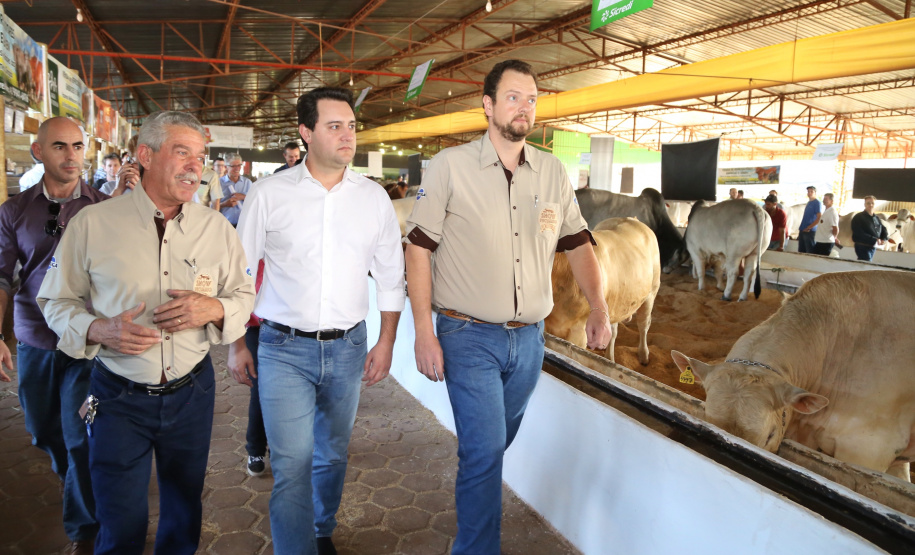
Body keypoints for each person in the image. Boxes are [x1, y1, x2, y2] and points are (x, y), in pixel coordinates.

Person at [404, 60, 611, 555]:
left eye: (532, 98)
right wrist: (423, 332)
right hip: (467, 334)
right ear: (488, 106)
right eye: (513, 97)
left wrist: (599, 306)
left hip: (529, 341)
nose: (525, 107)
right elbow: (418, 249)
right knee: (482, 452)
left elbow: (579, 243)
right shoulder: (450, 167)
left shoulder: (553, 172)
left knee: (492, 445)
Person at [37, 111, 255, 555]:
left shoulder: (216, 229)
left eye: (201, 156)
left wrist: (214, 308)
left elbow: (244, 295)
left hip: (192, 392)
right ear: (145, 155)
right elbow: (54, 301)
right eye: (182, 153)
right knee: (120, 519)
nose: (196, 165)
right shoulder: (93, 224)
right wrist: (97, 328)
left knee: (183, 510)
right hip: (118, 396)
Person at [237, 86, 405, 555]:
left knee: (332, 454)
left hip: (350, 347)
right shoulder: (269, 195)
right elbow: (241, 275)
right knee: (293, 463)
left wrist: (387, 341)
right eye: (334, 126)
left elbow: (392, 276)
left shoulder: (373, 199)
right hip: (283, 348)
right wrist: (235, 343)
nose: (347, 135)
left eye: (351, 125)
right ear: (305, 132)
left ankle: (321, 531)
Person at [0, 117, 108, 554]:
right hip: (35, 340)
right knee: (43, 430)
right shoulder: (14, 212)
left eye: (79, 147)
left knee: (80, 432)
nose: (71, 156)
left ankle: (84, 528)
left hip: (86, 343)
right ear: (39, 153)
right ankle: (73, 481)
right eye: (60, 146)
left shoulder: (102, 208)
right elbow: (2, 277)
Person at [227, 261, 268, 477]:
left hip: (293, 331)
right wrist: (237, 344)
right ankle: (256, 450)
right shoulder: (251, 252)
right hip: (257, 328)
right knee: (260, 390)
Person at [219, 153, 253, 226]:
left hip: (243, 224)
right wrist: (224, 204)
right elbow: (211, 206)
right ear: (226, 167)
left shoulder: (248, 183)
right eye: (233, 166)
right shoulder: (219, 183)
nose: (237, 168)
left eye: (239, 165)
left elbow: (256, 202)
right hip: (224, 224)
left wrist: (243, 197)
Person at [851, 195, 887, 261]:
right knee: (865, 265)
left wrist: (884, 238)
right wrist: (874, 239)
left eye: (872, 203)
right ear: (864, 204)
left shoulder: (876, 218)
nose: (870, 205)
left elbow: (883, 229)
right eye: (868, 203)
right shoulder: (858, 217)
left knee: (866, 265)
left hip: (872, 247)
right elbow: (858, 233)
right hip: (862, 246)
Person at [797, 186, 822, 253]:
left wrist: (809, 227)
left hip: (809, 231)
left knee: (809, 250)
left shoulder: (817, 203)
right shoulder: (809, 203)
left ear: (815, 193)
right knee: (801, 250)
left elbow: (819, 217)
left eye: (811, 191)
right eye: (808, 191)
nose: (809, 193)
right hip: (803, 229)